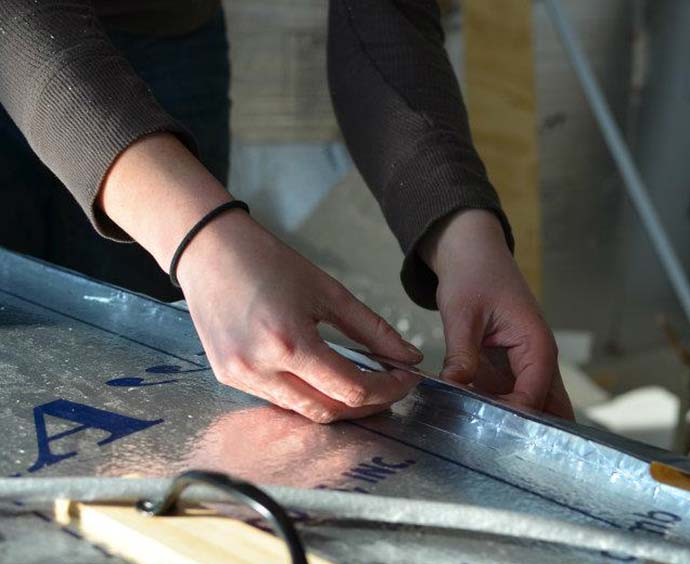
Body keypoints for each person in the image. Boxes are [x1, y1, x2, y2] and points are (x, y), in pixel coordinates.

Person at [0, 0, 573, 423]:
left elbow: (385, 16)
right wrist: (201, 238)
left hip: (164, 28)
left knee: (134, 393)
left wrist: (465, 236)